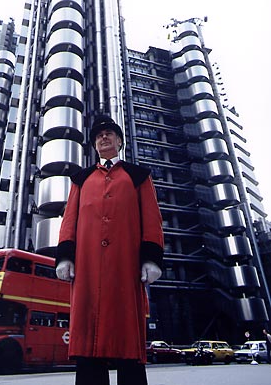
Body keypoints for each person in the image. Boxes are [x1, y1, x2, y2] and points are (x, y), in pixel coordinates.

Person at [56, 115, 164, 385]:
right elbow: (69, 220)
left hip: (124, 267)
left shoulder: (138, 176)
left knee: (128, 339)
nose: (103, 137)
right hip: (87, 269)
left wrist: (151, 259)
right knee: (88, 342)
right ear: (94, 145)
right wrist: (65, 256)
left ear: (119, 141)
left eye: (109, 133)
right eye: (99, 135)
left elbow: (152, 218)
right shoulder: (81, 179)